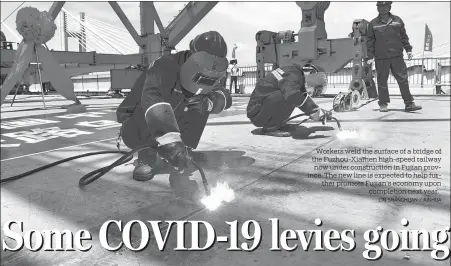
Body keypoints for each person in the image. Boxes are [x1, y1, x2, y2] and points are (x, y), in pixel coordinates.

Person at [116, 31, 232, 198]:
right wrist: (170, 142)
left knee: (201, 102)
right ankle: (146, 158)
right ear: (191, 54)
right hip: (135, 125)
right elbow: (152, 99)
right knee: (150, 104)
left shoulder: (211, 70)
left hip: (172, 115)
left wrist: (211, 101)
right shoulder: (164, 65)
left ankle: (185, 151)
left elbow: (225, 97)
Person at [246, 64, 332, 137]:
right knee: (288, 95)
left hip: (261, 110)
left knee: (293, 96)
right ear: (310, 73)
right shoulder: (294, 76)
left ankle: (278, 124)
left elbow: (303, 96)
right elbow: (293, 95)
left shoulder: (296, 74)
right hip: (257, 114)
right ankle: (270, 127)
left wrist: (317, 110)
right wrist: (313, 111)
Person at [366, 1, 422, 112]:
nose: (382, 8)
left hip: (397, 56)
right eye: (380, 6)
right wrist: (370, 56)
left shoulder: (398, 20)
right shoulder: (373, 24)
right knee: (382, 81)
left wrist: (409, 50)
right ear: (377, 8)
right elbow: (370, 42)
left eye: (385, 5)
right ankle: (383, 104)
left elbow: (404, 37)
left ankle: (409, 104)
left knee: (403, 80)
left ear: (389, 7)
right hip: (381, 57)